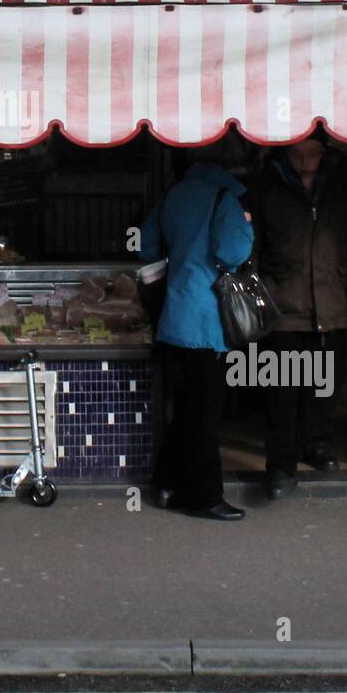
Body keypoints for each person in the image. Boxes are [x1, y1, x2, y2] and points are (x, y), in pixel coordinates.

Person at [250, 126, 347, 500]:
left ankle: (315, 443)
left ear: (324, 150)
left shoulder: (346, 182)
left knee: (326, 380)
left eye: (311, 155)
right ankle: (281, 465)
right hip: (283, 302)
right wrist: (262, 291)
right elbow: (252, 243)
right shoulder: (266, 184)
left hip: (332, 297)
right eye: (296, 155)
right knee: (282, 387)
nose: (304, 163)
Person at [139, 156, 254, 521]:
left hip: (176, 314)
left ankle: (167, 485)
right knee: (204, 413)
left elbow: (146, 246)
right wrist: (246, 226)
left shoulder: (173, 195)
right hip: (208, 320)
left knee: (188, 408)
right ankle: (205, 497)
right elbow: (232, 252)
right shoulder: (225, 200)